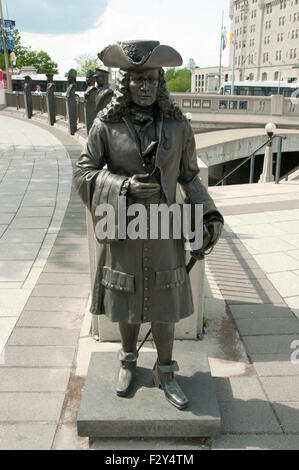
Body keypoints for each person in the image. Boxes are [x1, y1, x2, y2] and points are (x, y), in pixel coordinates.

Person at [74, 40, 223, 410]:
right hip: (123, 226)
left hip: (165, 228)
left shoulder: (178, 125)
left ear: (161, 82)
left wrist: (209, 214)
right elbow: (83, 173)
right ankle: (127, 361)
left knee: (164, 298)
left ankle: (166, 371)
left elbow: (190, 177)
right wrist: (122, 186)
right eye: (138, 79)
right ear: (125, 82)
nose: (145, 87)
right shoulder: (105, 125)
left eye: (152, 80)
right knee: (125, 293)